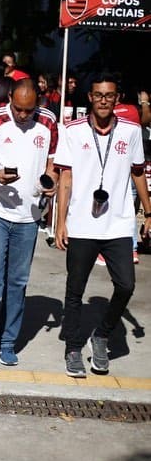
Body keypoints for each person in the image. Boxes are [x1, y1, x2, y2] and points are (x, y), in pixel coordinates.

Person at [54, 72, 151, 378]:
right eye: (98, 95)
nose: (104, 101)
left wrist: (149, 212)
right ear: (90, 98)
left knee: (126, 285)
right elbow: (65, 178)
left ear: (117, 98)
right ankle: (72, 347)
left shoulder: (132, 131)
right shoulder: (72, 131)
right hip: (82, 224)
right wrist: (60, 222)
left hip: (118, 224)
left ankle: (102, 334)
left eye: (109, 95)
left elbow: (137, 172)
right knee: (75, 289)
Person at [0, 78, 59, 372]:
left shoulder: (48, 122)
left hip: (28, 216)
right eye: (18, 108)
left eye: (28, 110)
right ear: (9, 100)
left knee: (17, 281)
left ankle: (8, 343)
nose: (22, 115)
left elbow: (53, 165)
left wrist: (51, 182)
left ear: (38, 104)